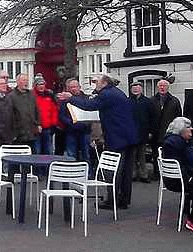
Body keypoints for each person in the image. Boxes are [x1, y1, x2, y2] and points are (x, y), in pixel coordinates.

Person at [58, 74, 137, 209]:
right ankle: (123, 199)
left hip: (117, 137)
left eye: (97, 83)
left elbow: (89, 105)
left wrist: (71, 98)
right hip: (129, 136)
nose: (95, 85)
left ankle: (112, 200)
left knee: (113, 170)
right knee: (126, 171)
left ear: (104, 83)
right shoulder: (116, 92)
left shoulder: (107, 94)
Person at [59, 78, 92, 175]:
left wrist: (83, 123)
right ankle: (72, 173)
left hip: (85, 130)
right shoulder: (64, 100)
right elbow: (62, 115)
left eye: (75, 86)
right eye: (71, 87)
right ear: (68, 88)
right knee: (71, 154)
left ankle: (88, 174)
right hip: (71, 131)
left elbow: (90, 113)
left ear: (79, 87)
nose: (73, 89)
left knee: (86, 154)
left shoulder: (86, 99)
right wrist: (71, 123)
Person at [150, 79, 182, 179]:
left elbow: (179, 117)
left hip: (169, 133)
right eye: (160, 86)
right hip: (155, 132)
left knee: (169, 153)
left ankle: (169, 173)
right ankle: (157, 173)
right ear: (157, 87)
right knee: (156, 154)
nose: (162, 87)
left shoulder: (174, 100)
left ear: (168, 87)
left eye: (164, 86)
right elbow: (148, 117)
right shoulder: (151, 100)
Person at [7, 73, 41, 150]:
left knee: (33, 155)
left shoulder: (31, 94)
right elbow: (10, 115)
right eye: (24, 80)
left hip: (32, 132)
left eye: (27, 80)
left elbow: (36, 110)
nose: (26, 82)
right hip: (19, 134)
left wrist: (38, 124)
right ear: (18, 81)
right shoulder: (11, 96)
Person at [129, 81, 155, 183]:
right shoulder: (128, 101)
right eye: (134, 88)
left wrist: (150, 131)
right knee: (133, 156)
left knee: (142, 155)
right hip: (131, 133)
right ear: (131, 90)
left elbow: (152, 118)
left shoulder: (147, 102)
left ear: (141, 89)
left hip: (143, 132)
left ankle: (144, 175)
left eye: (138, 87)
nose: (136, 89)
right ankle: (133, 175)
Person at [33, 75, 58, 156]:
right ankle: (38, 169)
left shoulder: (50, 95)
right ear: (35, 86)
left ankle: (48, 168)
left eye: (42, 84)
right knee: (37, 151)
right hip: (36, 129)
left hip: (48, 128)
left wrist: (54, 124)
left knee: (48, 151)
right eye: (39, 84)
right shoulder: (32, 96)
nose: (41, 86)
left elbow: (54, 111)